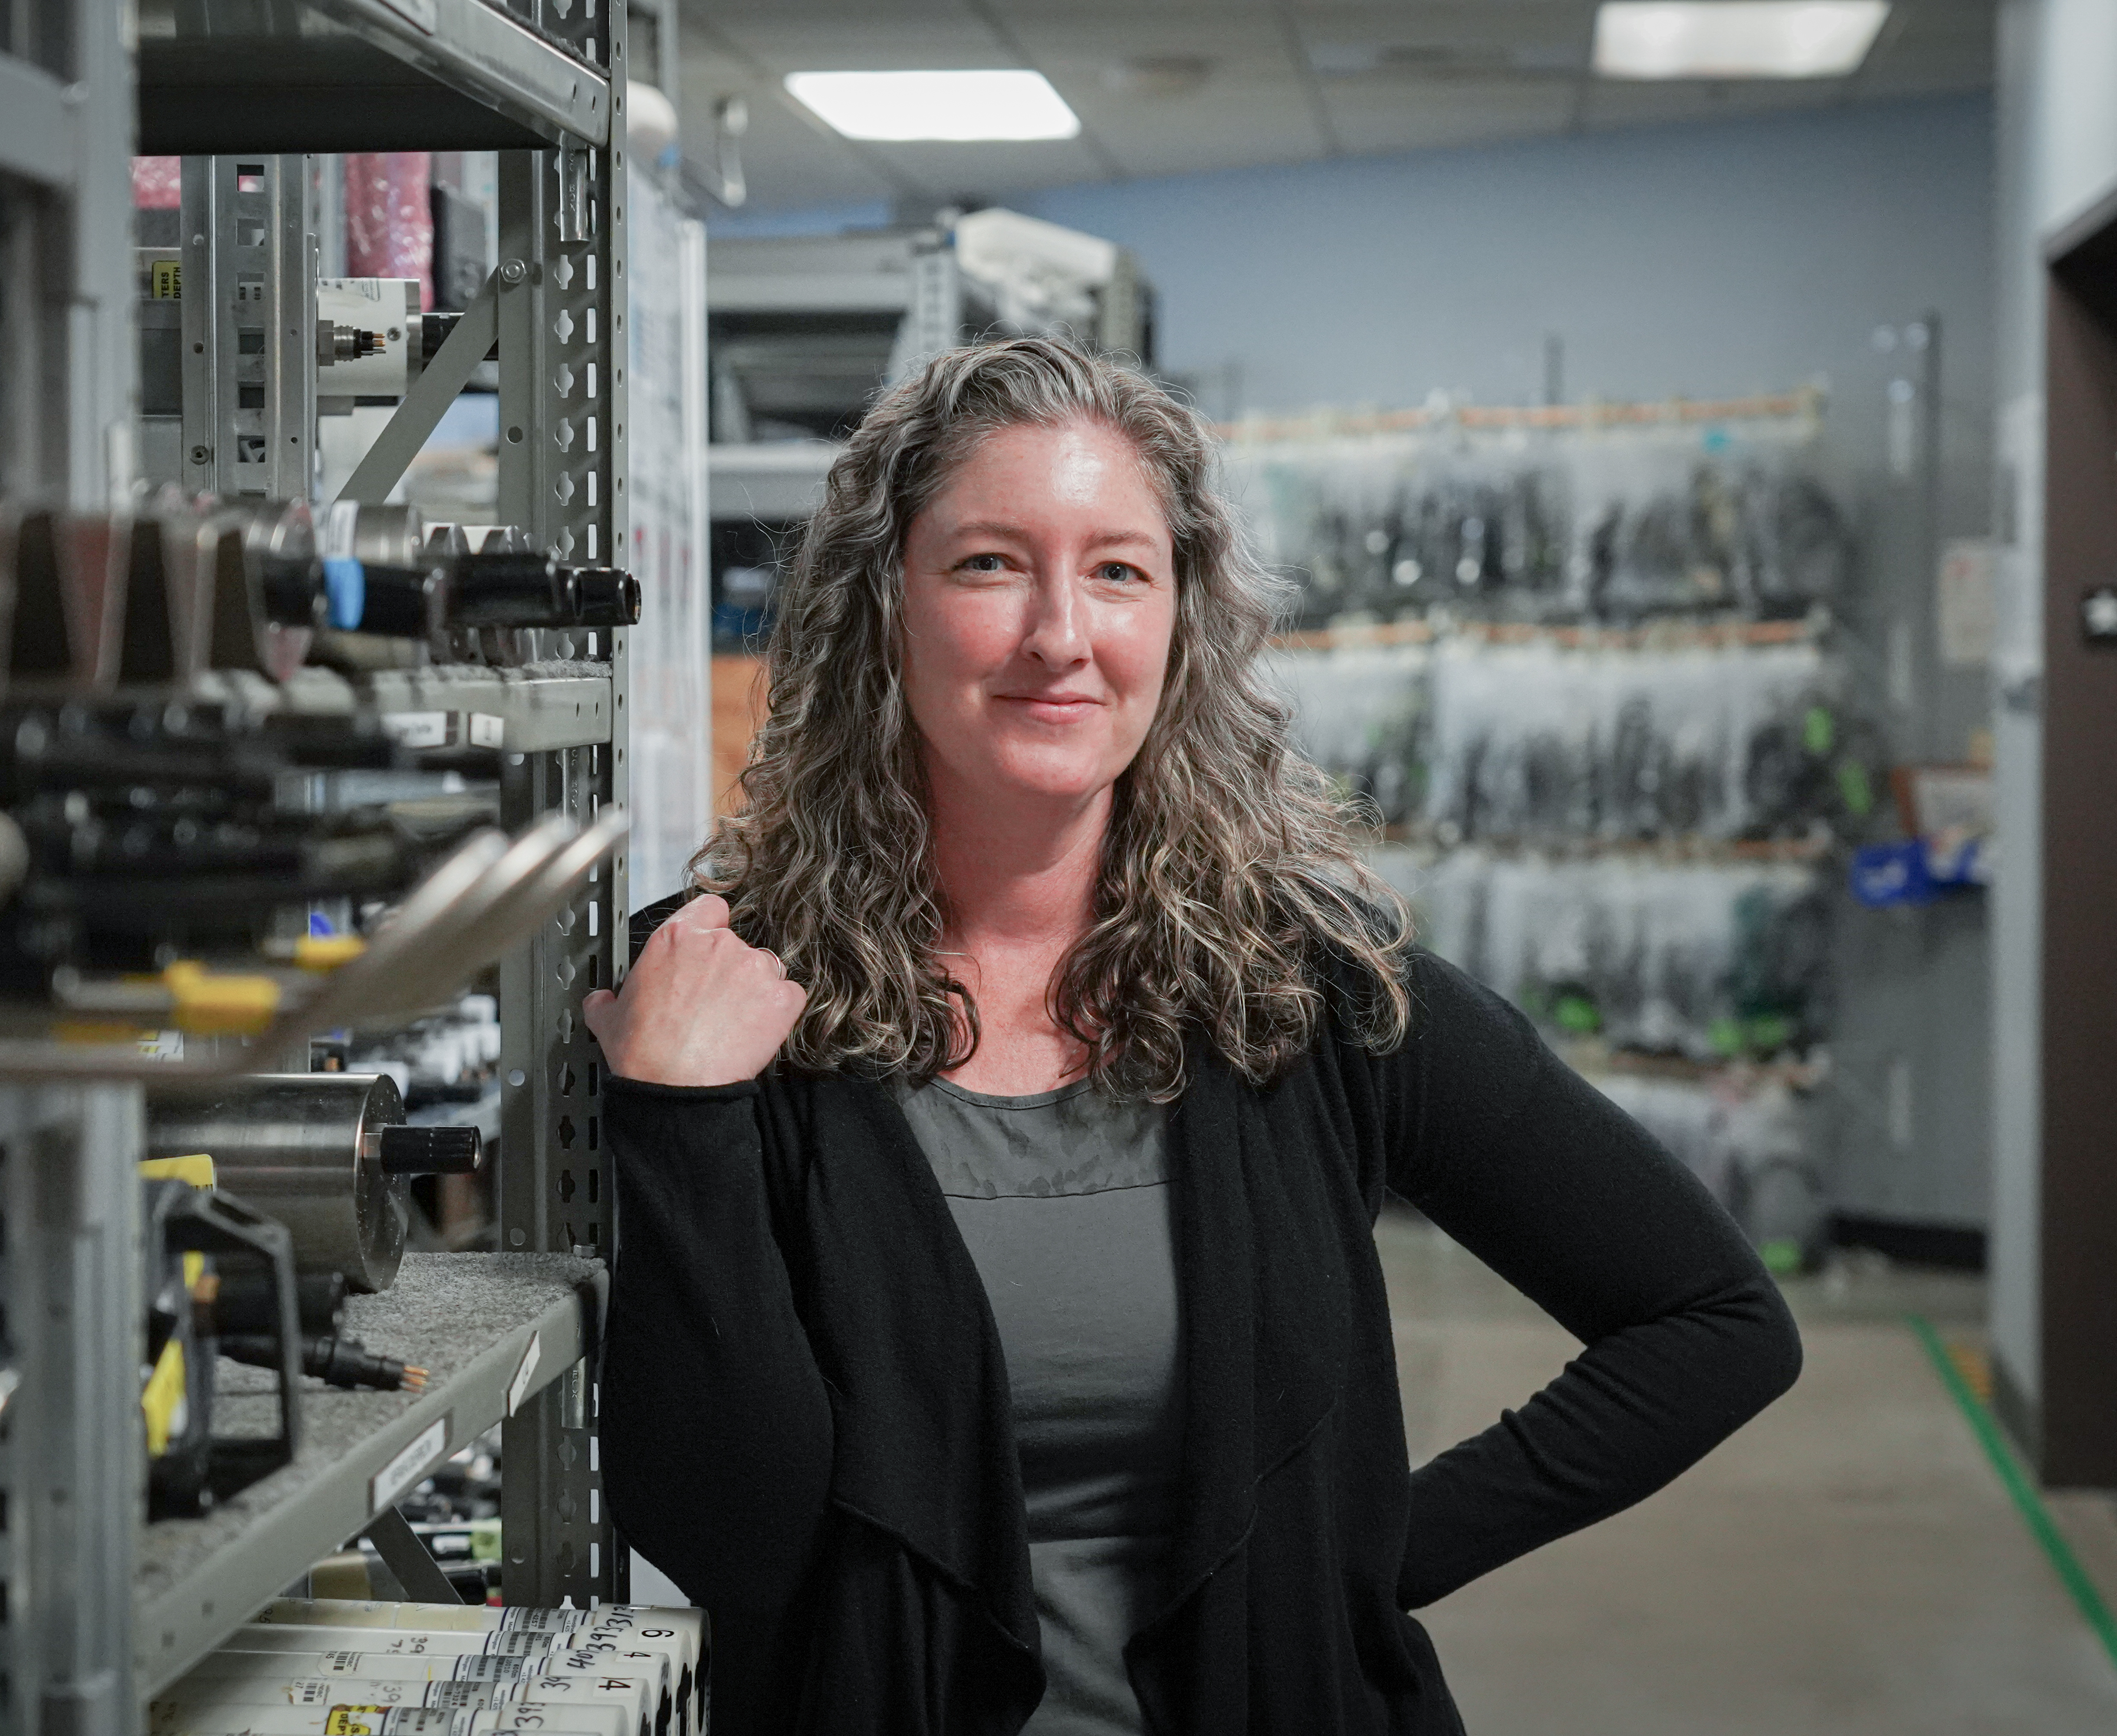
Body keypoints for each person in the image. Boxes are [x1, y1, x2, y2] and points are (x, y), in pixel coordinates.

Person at [585, 337, 1802, 1736]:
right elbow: (734, 1542)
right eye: (990, 564)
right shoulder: (722, 989)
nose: (1062, 634)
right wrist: (680, 1120)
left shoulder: (1311, 987)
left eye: (1117, 570)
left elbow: (1716, 1322)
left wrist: (1362, 1560)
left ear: (1178, 619)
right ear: (885, 606)